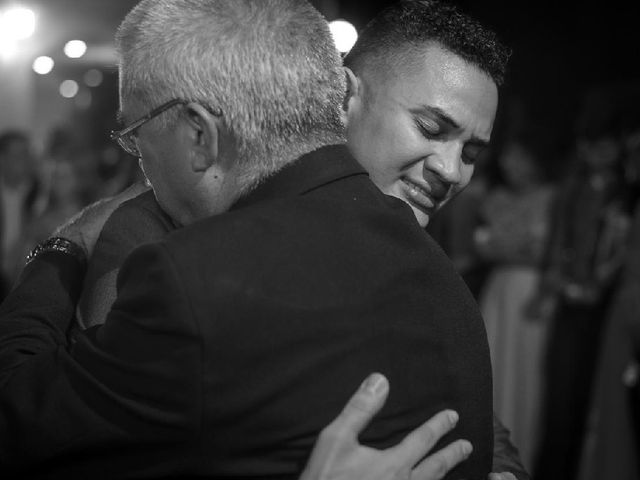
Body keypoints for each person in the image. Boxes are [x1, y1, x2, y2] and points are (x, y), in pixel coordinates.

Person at [0, 0, 519, 478]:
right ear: (343, 95)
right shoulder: (442, 278)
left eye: (471, 153)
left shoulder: (193, 275)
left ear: (200, 134)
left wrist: (61, 247)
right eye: (430, 127)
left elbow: (22, 423)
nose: (451, 171)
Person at [473, 132, 555, 471]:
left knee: (526, 373)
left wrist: (501, 246)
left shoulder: (552, 197)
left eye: (518, 156)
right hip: (499, 288)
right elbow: (479, 245)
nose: (510, 165)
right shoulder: (494, 198)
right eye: (506, 157)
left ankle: (520, 460)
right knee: (491, 365)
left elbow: (541, 251)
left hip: (531, 294)